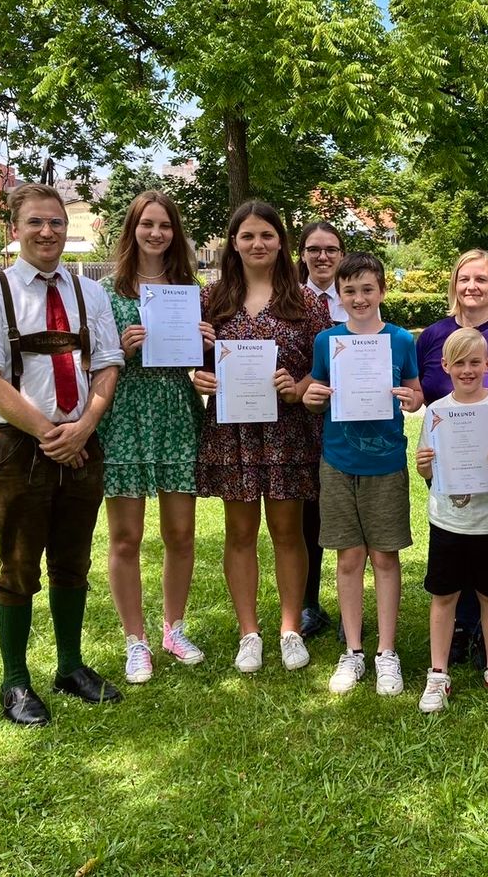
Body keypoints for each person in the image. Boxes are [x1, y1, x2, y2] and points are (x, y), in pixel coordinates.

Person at [0, 183, 124, 726]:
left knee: (73, 561)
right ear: (15, 229)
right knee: (19, 565)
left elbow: (107, 364)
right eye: (35, 222)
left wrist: (85, 427)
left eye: (55, 222)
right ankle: (15, 681)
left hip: (82, 441)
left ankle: (71, 666)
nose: (48, 231)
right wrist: (51, 433)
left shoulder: (89, 293)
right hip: (18, 448)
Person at [193, 201, 331, 674]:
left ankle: (290, 628)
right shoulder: (212, 299)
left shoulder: (305, 300)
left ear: (280, 242)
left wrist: (299, 386)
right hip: (233, 432)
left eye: (267, 236)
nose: (258, 244)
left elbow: (324, 365)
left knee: (289, 532)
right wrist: (199, 375)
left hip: (287, 431)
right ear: (233, 242)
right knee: (240, 533)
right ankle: (248, 632)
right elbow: (195, 358)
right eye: (248, 236)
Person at [96, 191, 212, 684]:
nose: (156, 233)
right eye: (147, 224)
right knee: (126, 537)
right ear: (132, 229)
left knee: (180, 533)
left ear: (175, 232)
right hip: (125, 415)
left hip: (175, 412)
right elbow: (91, 361)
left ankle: (173, 628)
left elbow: (202, 367)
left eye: (165, 225)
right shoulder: (106, 291)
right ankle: (135, 639)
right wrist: (119, 349)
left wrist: (206, 346)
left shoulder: (190, 289)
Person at [304, 252, 422, 695]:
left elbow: (414, 391)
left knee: (386, 558)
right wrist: (314, 396)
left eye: (367, 289)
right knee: (349, 558)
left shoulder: (400, 341)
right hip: (338, 461)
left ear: (382, 292)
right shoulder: (327, 341)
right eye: (349, 290)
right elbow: (314, 391)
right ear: (339, 294)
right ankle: (353, 651)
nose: (358, 298)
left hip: (386, 462)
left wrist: (412, 401)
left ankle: (386, 652)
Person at [415, 249, 488, 666]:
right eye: (465, 279)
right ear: (454, 284)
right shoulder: (432, 335)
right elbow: (421, 392)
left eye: (482, 279)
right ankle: (460, 629)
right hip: (449, 465)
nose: (472, 287)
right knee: (455, 542)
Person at [296, 221, 347, 639]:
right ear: (302, 255)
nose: (323, 256)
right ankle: (309, 602)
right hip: (299, 418)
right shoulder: (289, 300)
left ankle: (349, 603)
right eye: (314, 249)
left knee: (349, 512)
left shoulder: (357, 299)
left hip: (348, 423)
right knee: (306, 516)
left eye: (331, 249)